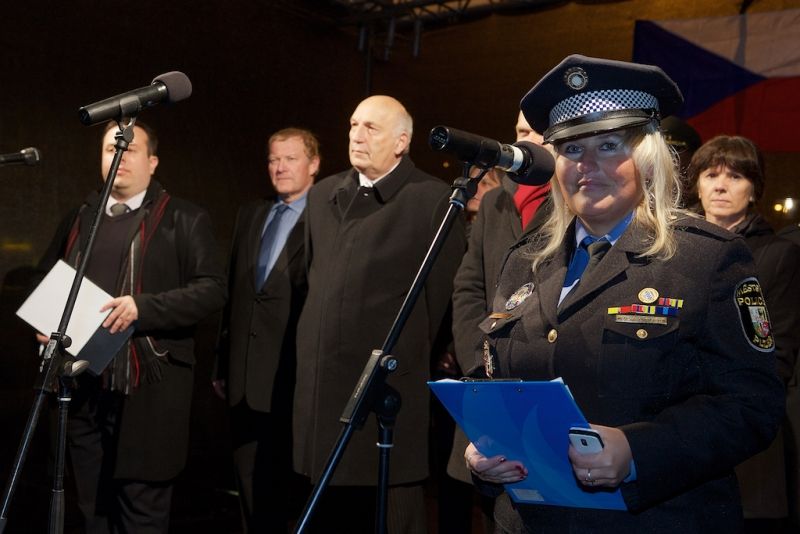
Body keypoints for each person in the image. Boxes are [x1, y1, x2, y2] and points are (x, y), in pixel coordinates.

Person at [464, 54, 785, 533]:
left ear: (647, 158)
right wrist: (483, 448)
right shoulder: (525, 259)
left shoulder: (707, 258)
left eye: (610, 145)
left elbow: (751, 405)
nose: (587, 166)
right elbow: (493, 377)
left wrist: (639, 451)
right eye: (571, 149)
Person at [36, 120, 226, 533]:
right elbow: (45, 280)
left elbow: (212, 290)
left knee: (141, 514)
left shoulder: (183, 217)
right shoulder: (80, 217)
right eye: (110, 149)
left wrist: (143, 307)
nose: (118, 157)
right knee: (91, 511)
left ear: (153, 162)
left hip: (147, 393)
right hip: (82, 390)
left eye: (130, 149)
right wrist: (47, 322)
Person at [293, 95, 465, 532]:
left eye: (371, 127)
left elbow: (440, 303)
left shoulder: (433, 201)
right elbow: (313, 285)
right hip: (320, 397)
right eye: (353, 124)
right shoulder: (323, 196)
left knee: (391, 516)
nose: (356, 135)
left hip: (386, 397)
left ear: (401, 142)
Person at [440, 111, 552, 534]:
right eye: (516, 128)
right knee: (492, 502)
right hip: (487, 383)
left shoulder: (576, 201)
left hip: (541, 381)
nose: (518, 136)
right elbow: (468, 287)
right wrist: (480, 359)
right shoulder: (494, 200)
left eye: (528, 129)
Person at [688, 135, 800, 532]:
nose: (720, 185)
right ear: (697, 184)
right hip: (671, 437)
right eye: (710, 174)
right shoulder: (670, 249)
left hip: (741, 435)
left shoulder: (776, 256)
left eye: (735, 176)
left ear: (754, 190)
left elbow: (777, 355)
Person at [214, 128, 320, 532]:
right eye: (274, 159)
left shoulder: (323, 219)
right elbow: (233, 294)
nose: (279, 167)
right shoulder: (251, 213)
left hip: (289, 377)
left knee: (283, 489)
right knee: (246, 485)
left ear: (313, 164)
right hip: (241, 379)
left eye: (290, 158)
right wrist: (221, 364)